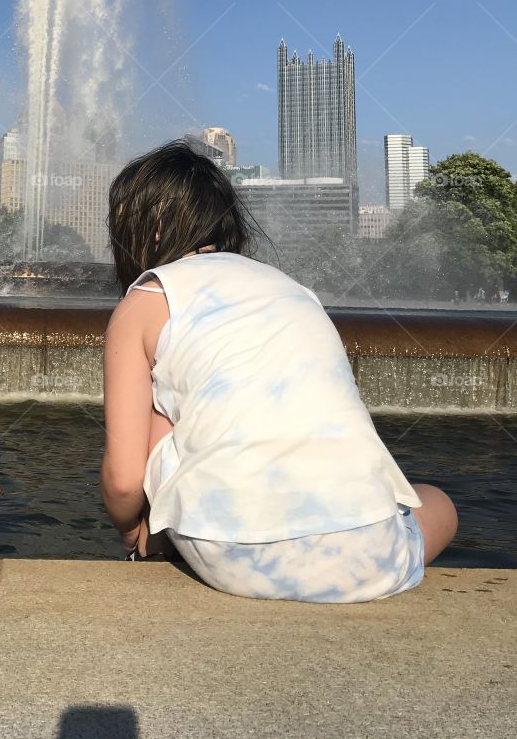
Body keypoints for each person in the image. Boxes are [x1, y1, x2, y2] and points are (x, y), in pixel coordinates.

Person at [100, 140, 458, 603]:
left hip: (235, 557)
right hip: (372, 559)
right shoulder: (293, 290)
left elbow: (124, 481)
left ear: (142, 228)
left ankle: (155, 541)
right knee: (439, 503)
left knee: (161, 410)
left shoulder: (145, 302)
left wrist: (130, 533)